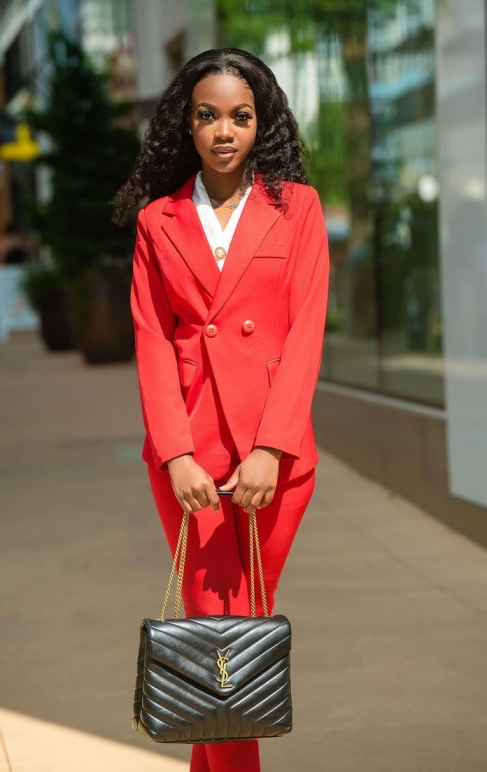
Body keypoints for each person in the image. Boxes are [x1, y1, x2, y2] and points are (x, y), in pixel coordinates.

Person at [113, 48, 329, 772]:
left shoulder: (294, 207)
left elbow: (305, 333)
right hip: (191, 463)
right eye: (208, 115)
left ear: (260, 122)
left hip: (276, 459)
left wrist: (271, 448)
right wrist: (174, 453)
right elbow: (149, 342)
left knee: (228, 647)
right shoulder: (156, 221)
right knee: (219, 634)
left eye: (240, 115)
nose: (224, 130)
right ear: (188, 123)